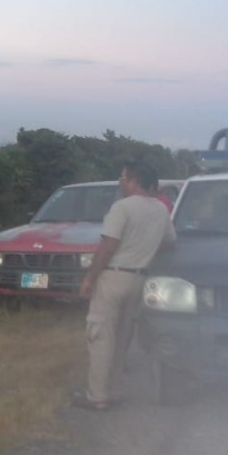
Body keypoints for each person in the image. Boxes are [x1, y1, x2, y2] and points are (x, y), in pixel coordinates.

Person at [74, 162, 176, 410]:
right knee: (122, 337)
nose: (120, 183)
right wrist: (145, 252)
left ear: (133, 180)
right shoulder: (161, 210)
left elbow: (108, 246)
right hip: (140, 279)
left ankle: (97, 396)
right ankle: (114, 390)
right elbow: (170, 243)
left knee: (100, 335)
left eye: (122, 179)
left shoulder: (122, 208)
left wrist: (89, 278)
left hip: (114, 277)